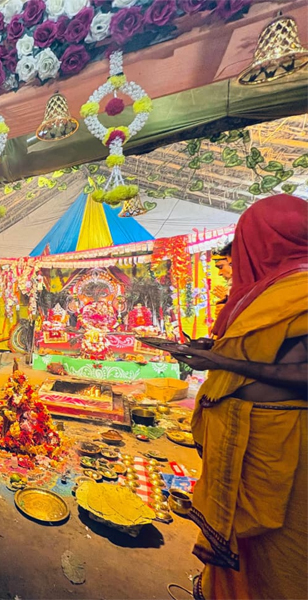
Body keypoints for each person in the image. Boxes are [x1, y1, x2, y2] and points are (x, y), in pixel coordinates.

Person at [167, 194, 307, 600]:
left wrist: (221, 362)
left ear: (264, 242)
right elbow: (270, 349)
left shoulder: (300, 290)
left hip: (282, 442)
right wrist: (214, 349)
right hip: (251, 435)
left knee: (277, 556)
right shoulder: (272, 289)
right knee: (243, 552)